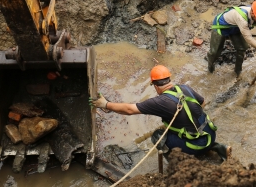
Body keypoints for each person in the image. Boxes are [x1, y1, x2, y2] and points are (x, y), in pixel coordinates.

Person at [89, 65, 231, 160]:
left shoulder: (160, 102)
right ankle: (219, 147)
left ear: (155, 86)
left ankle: (178, 164)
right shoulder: (185, 88)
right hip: (210, 134)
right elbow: (202, 103)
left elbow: (129, 109)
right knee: (192, 129)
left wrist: (105, 104)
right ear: (169, 79)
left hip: (196, 145)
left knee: (157, 136)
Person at [208, 0, 256, 76]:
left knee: (242, 48)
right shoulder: (241, 17)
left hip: (236, 28)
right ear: (252, 13)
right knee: (214, 52)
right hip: (221, 27)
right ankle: (210, 69)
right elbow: (249, 38)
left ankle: (238, 71)